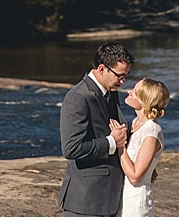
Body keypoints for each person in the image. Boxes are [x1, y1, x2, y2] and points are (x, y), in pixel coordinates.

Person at [58, 42, 134, 217]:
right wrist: (112, 142)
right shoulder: (77, 97)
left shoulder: (110, 91)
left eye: (126, 75)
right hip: (87, 200)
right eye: (120, 76)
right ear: (102, 69)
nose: (123, 81)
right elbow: (71, 148)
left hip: (110, 197)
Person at [116, 78, 170, 217]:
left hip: (136, 204)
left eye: (134, 92)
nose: (129, 91)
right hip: (121, 198)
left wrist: (119, 145)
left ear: (144, 100)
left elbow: (135, 177)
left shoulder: (152, 131)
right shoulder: (134, 123)